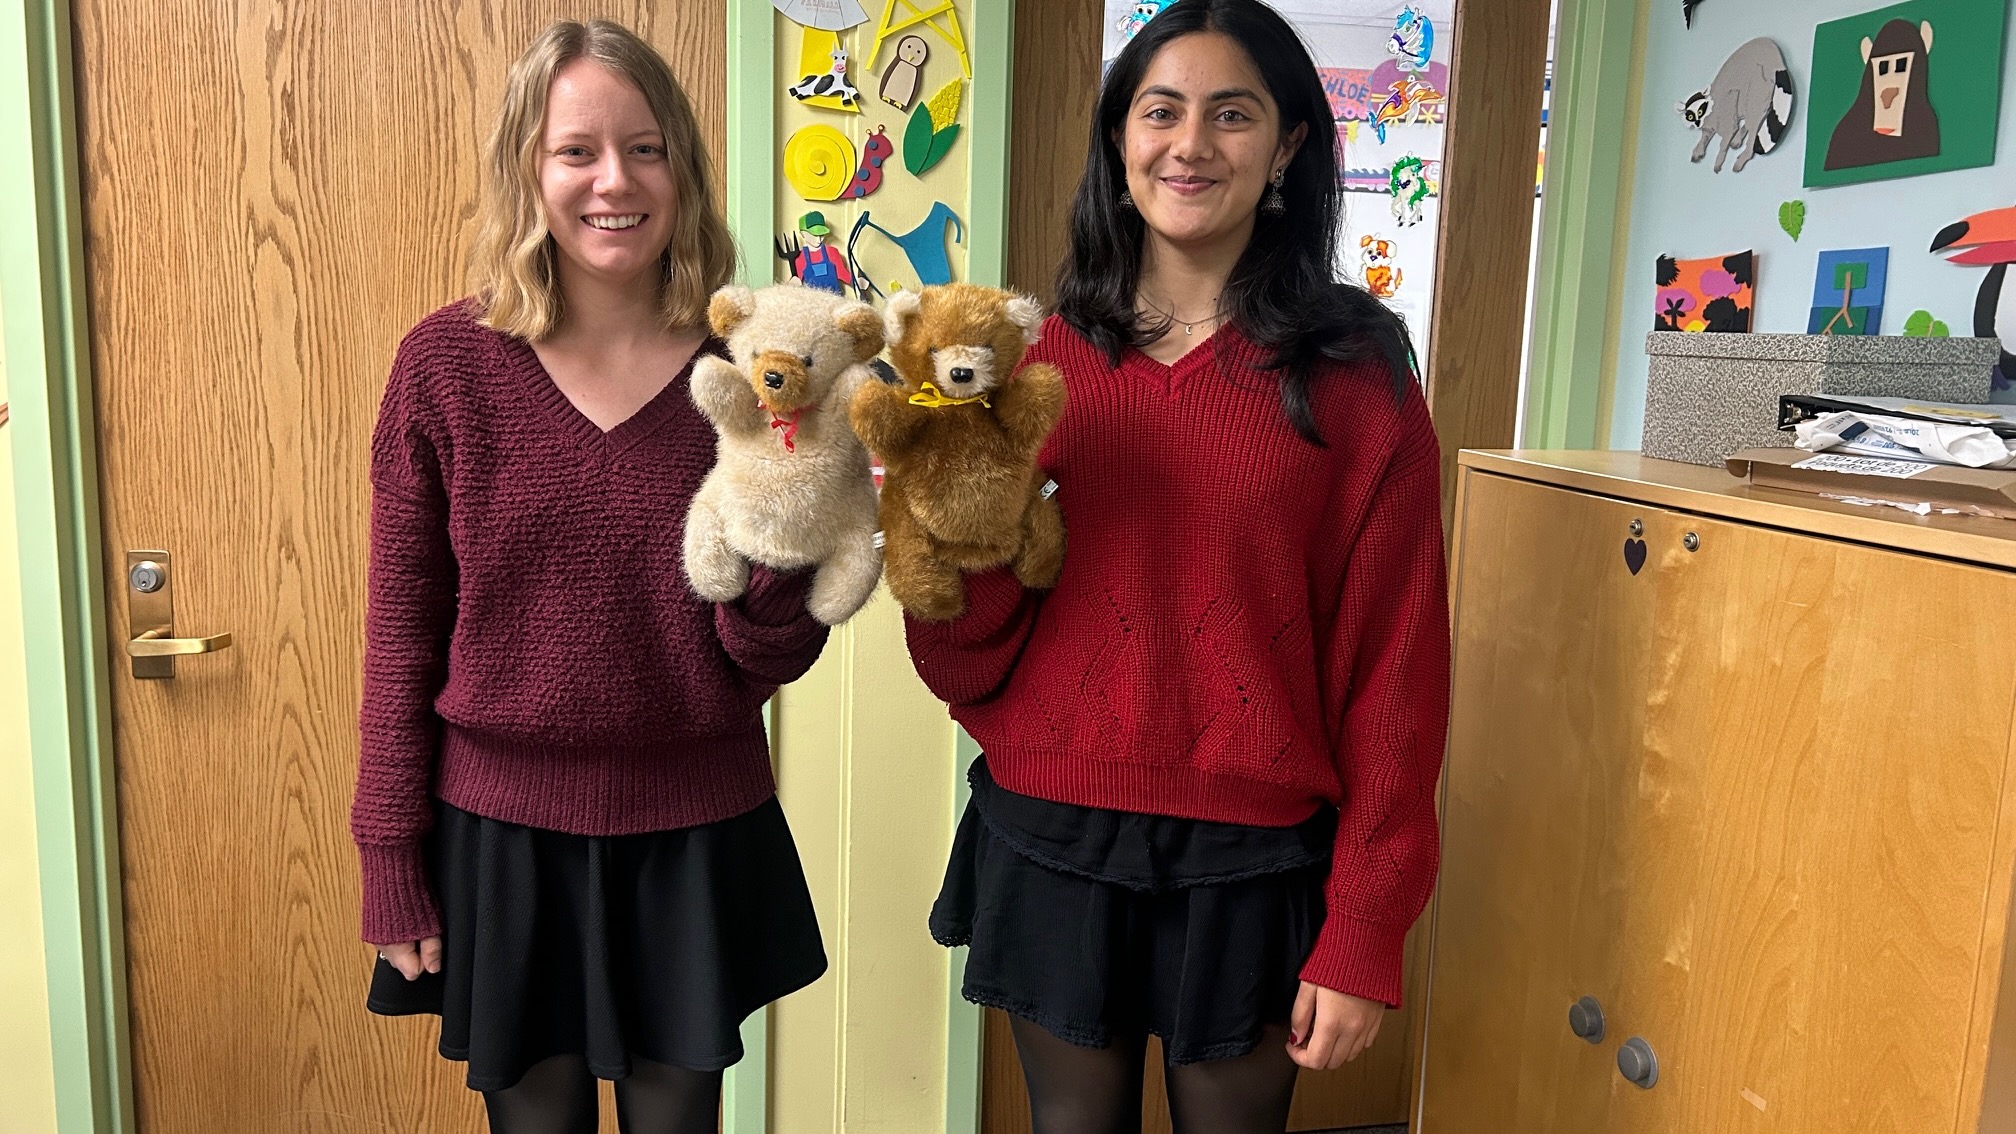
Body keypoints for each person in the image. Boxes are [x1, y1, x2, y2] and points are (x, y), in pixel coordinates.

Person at [910, 2, 1451, 1131]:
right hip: (1052, 828)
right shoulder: (1031, 367)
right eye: (1160, 112)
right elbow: (962, 659)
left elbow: (1397, 675)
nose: (1189, 145)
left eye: (1232, 115)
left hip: (1258, 859)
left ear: (1290, 146)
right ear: (1120, 140)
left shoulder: (1359, 381)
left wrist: (1365, 926)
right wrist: (951, 547)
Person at [352, 20, 827, 1134]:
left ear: (685, 172)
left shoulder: (753, 368)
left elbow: (775, 654)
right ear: (530, 169)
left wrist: (780, 558)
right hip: (498, 837)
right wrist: (388, 855)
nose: (614, 180)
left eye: (647, 147)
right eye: (578, 151)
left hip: (693, 831)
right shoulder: (446, 366)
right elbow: (402, 633)